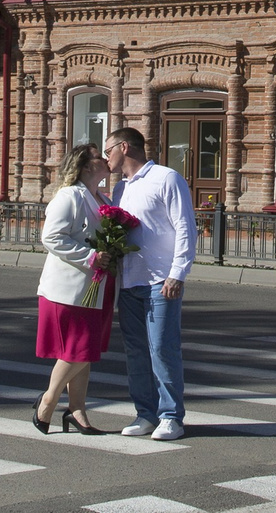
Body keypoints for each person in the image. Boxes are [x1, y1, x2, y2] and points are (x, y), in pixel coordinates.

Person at [105, 127, 196, 441]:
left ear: (124, 147)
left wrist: (178, 273)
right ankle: (145, 413)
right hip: (130, 281)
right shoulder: (120, 189)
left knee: (162, 349)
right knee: (135, 351)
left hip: (161, 280)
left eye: (108, 151)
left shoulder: (166, 178)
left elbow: (185, 226)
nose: (107, 158)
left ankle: (172, 416)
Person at [31, 143, 112, 435]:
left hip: (93, 285)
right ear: (87, 165)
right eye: (99, 156)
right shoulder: (69, 196)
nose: (105, 159)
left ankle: (77, 410)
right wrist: (90, 256)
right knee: (78, 349)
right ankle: (48, 401)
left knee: (85, 351)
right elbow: (52, 237)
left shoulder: (100, 196)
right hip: (68, 288)